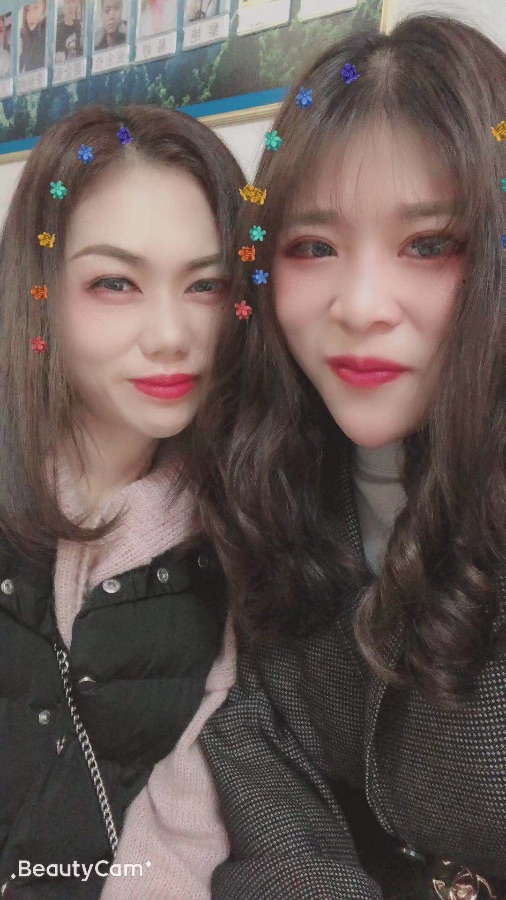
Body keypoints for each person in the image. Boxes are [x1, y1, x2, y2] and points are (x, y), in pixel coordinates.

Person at [191, 14, 506, 900]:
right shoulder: (265, 472)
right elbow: (259, 761)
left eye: (429, 244)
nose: (362, 305)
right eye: (313, 248)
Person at [0, 104, 244, 899]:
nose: (170, 334)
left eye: (206, 284)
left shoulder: (245, 528)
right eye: (115, 282)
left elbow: (185, 827)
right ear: (40, 293)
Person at [19, 0, 46, 72]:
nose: (31, 15)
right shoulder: (24, 38)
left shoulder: (46, 35)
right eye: (28, 10)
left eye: (35, 8)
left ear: (45, 9)